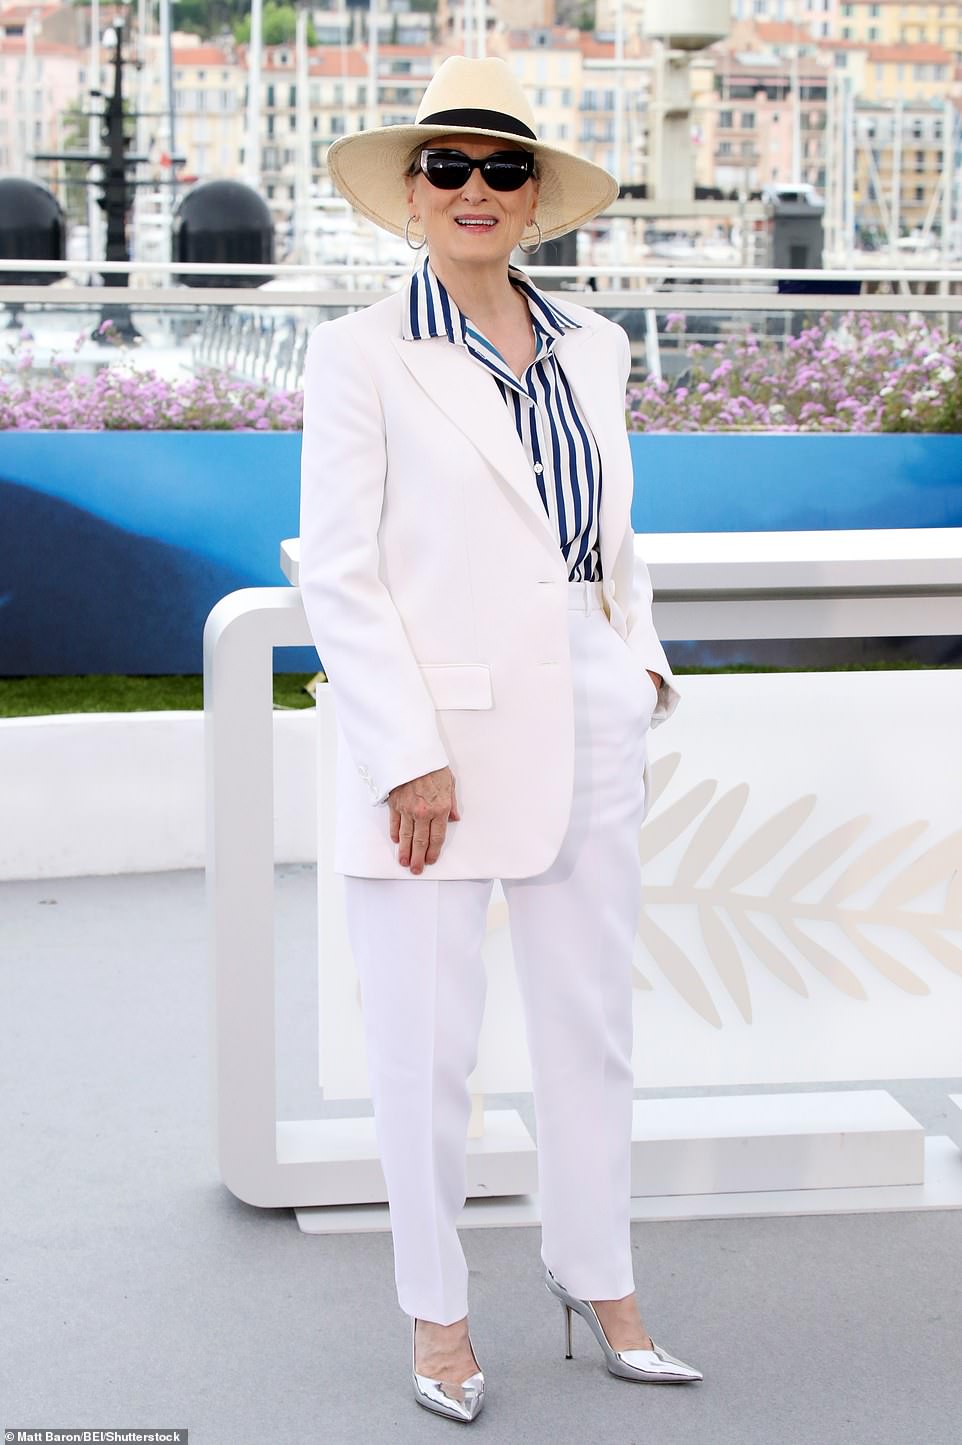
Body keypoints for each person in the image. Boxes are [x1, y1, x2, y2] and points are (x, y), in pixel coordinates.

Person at [298, 54, 702, 1424]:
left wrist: (634, 665)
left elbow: (605, 537)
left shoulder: (597, 343)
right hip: (433, 754)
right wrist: (402, 748)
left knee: (589, 1029)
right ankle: (436, 1315)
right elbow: (339, 571)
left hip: (591, 721)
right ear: (409, 195)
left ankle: (603, 1282)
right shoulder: (358, 353)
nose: (476, 189)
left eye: (504, 168)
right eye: (448, 166)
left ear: (534, 200)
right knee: (424, 1054)